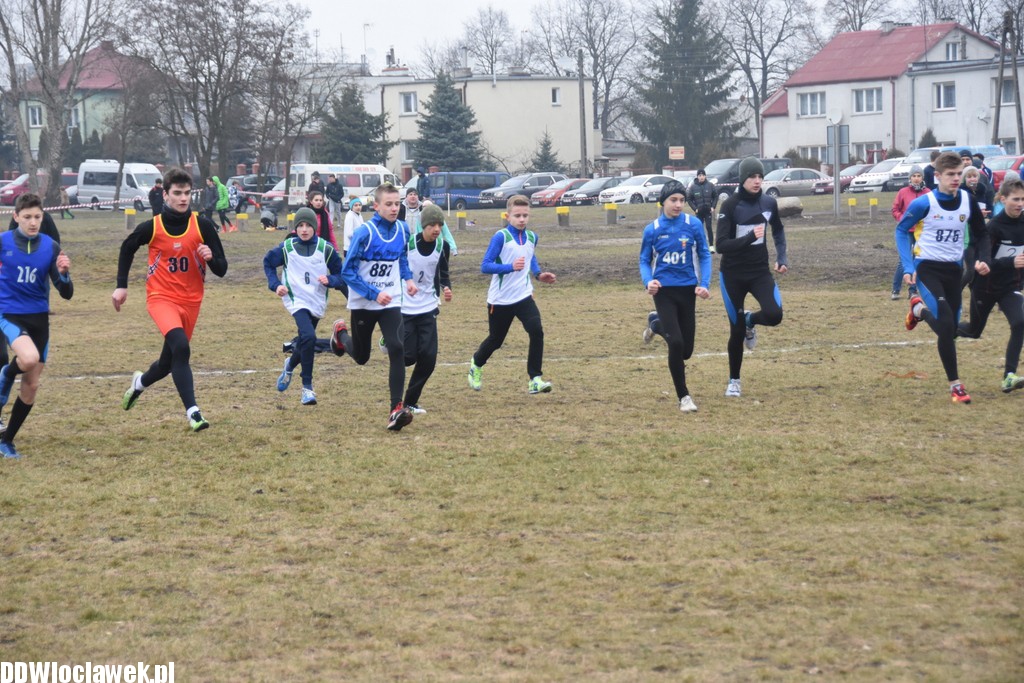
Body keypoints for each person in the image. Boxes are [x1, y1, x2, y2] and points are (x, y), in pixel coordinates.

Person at [113, 167, 228, 431]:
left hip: (191, 302)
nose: (183, 198)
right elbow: (127, 247)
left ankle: (139, 383)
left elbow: (222, 269)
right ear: (165, 194)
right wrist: (121, 286)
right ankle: (194, 413)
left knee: (167, 363)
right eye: (177, 193)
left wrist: (211, 258)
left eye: (187, 193)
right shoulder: (152, 227)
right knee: (182, 348)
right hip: (161, 298)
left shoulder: (203, 225)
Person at [897, 151, 989, 404]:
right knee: (947, 325)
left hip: (953, 271)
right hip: (927, 269)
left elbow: (982, 234)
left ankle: (918, 311)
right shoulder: (924, 203)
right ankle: (956, 385)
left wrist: (983, 259)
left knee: (951, 329)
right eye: (950, 174)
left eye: (959, 174)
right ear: (937, 176)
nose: (956, 178)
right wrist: (908, 266)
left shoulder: (968, 200)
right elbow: (901, 230)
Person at [335, 182, 418, 431]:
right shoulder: (365, 233)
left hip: (391, 299)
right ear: (376, 206)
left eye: (397, 204)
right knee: (362, 357)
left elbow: (402, 258)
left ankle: (395, 409)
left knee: (397, 346)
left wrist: (408, 279)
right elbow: (347, 272)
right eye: (389, 204)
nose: (394, 208)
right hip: (364, 301)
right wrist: (373, 293)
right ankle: (340, 336)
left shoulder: (403, 229)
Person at [0, 193, 73, 459]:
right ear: (16, 216)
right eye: (27, 217)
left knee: (31, 386)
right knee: (28, 358)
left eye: (38, 217)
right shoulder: (3, 242)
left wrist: (64, 274)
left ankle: (6, 441)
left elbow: (66, 293)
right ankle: (7, 374)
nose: (33, 222)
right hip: (9, 315)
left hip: (39, 319)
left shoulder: (50, 247)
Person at [467, 194, 557, 394]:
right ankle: (476, 363)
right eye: (517, 216)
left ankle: (535, 379)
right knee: (496, 340)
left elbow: (530, 257)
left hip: (523, 296)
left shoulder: (532, 237)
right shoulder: (501, 237)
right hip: (500, 300)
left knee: (536, 331)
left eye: (525, 215)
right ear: (507, 216)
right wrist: (509, 267)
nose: (522, 219)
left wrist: (538, 274)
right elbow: (485, 266)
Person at [715, 157, 788, 398]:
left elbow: (778, 230)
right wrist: (749, 238)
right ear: (742, 179)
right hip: (732, 275)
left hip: (759, 272)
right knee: (735, 331)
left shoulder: (768, 202)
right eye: (752, 177)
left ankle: (750, 320)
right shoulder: (730, 205)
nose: (757, 181)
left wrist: (782, 257)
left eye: (760, 177)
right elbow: (721, 245)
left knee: (775, 315)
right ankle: (734, 381)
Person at [639, 180, 712, 412]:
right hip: (664, 292)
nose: (678, 204)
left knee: (686, 351)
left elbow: (705, 255)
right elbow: (643, 260)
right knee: (676, 343)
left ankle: (655, 324)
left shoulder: (693, 225)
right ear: (663, 202)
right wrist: (648, 282)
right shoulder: (652, 229)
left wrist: (704, 284)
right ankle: (684, 397)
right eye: (673, 200)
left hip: (688, 291)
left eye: (682, 200)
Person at [263, 207, 344, 406]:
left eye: (308, 225)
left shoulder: (325, 249)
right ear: (295, 228)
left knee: (305, 341)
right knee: (309, 336)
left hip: (316, 300)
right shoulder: (287, 248)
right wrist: (276, 285)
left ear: (314, 227)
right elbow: (268, 262)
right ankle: (307, 388)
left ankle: (290, 365)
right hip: (295, 299)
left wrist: (331, 280)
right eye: (300, 226)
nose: (304, 229)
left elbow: (341, 274)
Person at [956, 178, 1024, 393]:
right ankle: (944, 325)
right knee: (974, 331)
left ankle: (1009, 376)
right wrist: (1010, 262)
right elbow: (981, 261)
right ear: (1003, 199)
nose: (1020, 204)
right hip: (985, 287)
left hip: (1010, 287)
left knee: (1020, 322)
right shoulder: (993, 227)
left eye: (1023, 199)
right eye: (1015, 199)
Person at [398, 203, 452, 414]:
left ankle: (410, 402)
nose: (436, 229)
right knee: (408, 357)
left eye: (439, 225)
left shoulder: (442, 246)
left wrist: (446, 287)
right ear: (423, 226)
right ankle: (387, 339)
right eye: (432, 225)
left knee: (428, 359)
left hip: (429, 306)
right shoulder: (408, 244)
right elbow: (397, 268)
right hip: (406, 307)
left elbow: (443, 272)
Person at [890, 166, 928, 299]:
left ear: (922, 178)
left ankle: (913, 290)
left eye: (919, 176)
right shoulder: (903, 192)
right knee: (904, 260)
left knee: (917, 259)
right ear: (910, 178)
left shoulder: (928, 193)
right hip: (906, 231)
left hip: (921, 232)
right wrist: (903, 219)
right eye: (914, 176)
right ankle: (895, 289)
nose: (916, 179)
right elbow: (895, 209)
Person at [686, 169, 718, 251]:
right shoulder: (693, 187)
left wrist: (713, 207)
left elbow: (715, 196)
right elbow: (689, 199)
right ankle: (700, 246)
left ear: (705, 176)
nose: (701, 177)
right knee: (699, 228)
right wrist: (695, 209)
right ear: (697, 177)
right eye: (700, 175)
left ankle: (711, 245)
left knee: (709, 227)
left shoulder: (710, 185)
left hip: (708, 211)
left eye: (703, 175)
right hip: (699, 212)